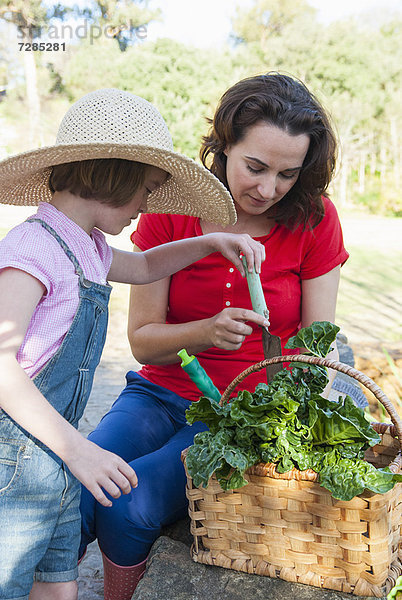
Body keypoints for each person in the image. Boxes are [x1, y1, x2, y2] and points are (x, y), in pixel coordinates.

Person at [79, 73, 349, 599]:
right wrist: (205, 333)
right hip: (158, 393)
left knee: (130, 506)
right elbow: (142, 340)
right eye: (255, 166)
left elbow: (317, 349)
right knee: (78, 487)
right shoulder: (173, 212)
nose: (268, 189)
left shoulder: (316, 220)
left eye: (288, 174)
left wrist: (281, 421)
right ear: (223, 146)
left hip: (243, 415)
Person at [0, 88, 266, 600]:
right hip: (16, 464)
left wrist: (212, 242)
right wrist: (80, 452)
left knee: (57, 581)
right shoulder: (31, 248)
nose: (147, 207)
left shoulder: (90, 245)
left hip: (52, 454)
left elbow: (144, 266)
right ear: (112, 174)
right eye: (146, 189)